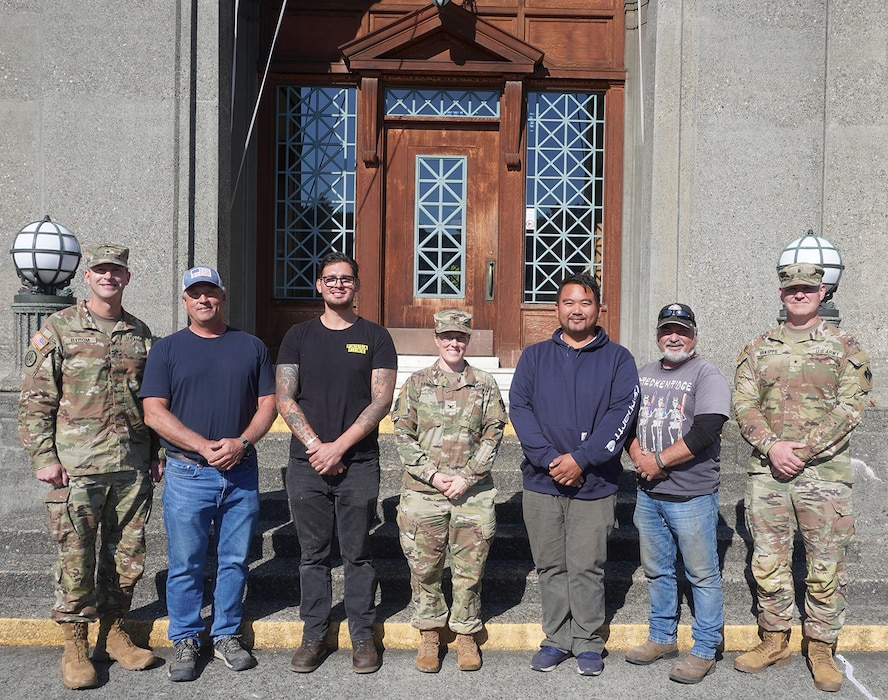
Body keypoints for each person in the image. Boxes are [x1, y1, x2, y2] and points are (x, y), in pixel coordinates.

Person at [18, 244, 159, 690]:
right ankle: (75, 643)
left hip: (132, 463)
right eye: (101, 270)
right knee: (76, 556)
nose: (109, 278)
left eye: (116, 272)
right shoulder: (58, 328)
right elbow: (36, 399)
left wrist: (155, 453)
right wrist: (44, 458)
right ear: (87, 277)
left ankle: (114, 633)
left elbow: (151, 400)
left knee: (127, 555)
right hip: (76, 465)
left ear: (127, 278)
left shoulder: (139, 332)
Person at [733, 263, 871, 693]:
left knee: (825, 565)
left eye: (807, 289)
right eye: (792, 288)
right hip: (768, 472)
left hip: (824, 474)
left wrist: (805, 450)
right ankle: (774, 640)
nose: (799, 295)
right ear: (780, 292)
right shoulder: (757, 347)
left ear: (822, 292)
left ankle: (821, 648)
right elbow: (743, 403)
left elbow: (851, 407)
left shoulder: (845, 346)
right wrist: (774, 447)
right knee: (769, 563)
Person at [140, 266, 277, 682]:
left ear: (222, 297)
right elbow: (153, 411)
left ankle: (226, 634)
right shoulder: (166, 349)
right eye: (195, 294)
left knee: (235, 561)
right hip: (187, 473)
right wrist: (203, 446)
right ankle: (185, 637)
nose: (204, 300)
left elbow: (268, 403)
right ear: (184, 301)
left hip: (240, 471)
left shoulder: (250, 346)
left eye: (211, 293)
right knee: (185, 562)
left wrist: (242, 443)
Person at [509, 272, 640, 676]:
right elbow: (520, 410)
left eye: (585, 303)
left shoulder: (619, 359)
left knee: (587, 565)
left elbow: (622, 416)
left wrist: (581, 460)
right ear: (557, 309)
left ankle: (586, 641)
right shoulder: (534, 358)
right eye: (569, 302)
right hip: (542, 482)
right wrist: (551, 460)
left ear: (598, 309)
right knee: (550, 565)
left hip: (595, 483)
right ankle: (556, 639)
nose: (577, 310)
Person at [275, 251, 397, 674]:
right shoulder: (298, 335)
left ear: (356, 286)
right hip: (307, 461)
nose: (338, 284)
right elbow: (284, 397)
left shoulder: (376, 336)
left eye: (346, 279)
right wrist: (316, 446)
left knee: (358, 553)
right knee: (313, 554)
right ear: (319, 285)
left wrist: (338, 448)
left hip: (358, 461)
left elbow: (381, 400)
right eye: (331, 278)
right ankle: (315, 635)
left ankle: (362, 635)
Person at [392, 309, 507, 673]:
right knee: (424, 568)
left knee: (469, 569)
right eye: (447, 337)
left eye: (460, 337)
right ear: (437, 339)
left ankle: (466, 633)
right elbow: (403, 434)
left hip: (471, 493)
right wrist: (434, 475)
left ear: (468, 340)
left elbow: (494, 431)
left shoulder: (485, 383)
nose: (454, 343)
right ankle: (429, 632)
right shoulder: (416, 383)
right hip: (424, 493)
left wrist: (468, 476)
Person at [625, 303, 731, 684]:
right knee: (657, 571)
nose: (674, 337)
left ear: (694, 335)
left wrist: (660, 462)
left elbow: (706, 431)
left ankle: (704, 648)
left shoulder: (707, 375)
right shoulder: (643, 374)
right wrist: (639, 456)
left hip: (692, 497)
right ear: (658, 335)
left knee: (702, 575)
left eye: (682, 331)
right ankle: (662, 637)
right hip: (649, 494)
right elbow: (626, 424)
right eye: (668, 330)